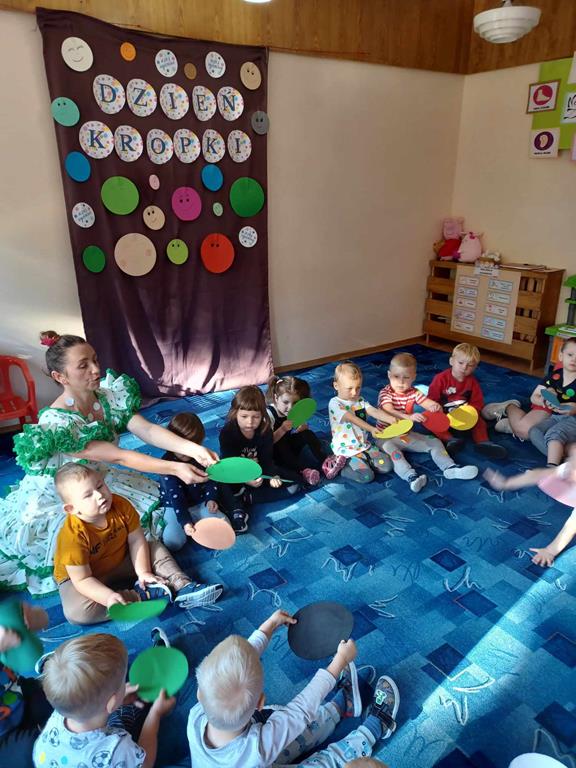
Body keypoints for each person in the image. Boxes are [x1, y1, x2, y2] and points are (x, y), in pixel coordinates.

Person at [0, 331, 218, 595]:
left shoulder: (107, 396)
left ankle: (155, 574)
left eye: (95, 360)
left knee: (140, 522)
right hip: (68, 492)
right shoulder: (58, 422)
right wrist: (175, 467)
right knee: (91, 543)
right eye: (83, 366)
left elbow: (147, 430)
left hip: (99, 477)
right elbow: (119, 456)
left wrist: (192, 449)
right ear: (60, 377)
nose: (95, 370)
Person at [187, 608, 400, 767]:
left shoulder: (196, 714)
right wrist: (339, 662)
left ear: (199, 693)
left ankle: (340, 707)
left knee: (294, 729)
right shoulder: (256, 748)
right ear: (260, 703)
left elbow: (237, 663)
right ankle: (373, 729)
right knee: (321, 761)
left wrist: (268, 627)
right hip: (257, 759)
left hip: (253, 759)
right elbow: (299, 711)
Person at [53, 463, 222, 624]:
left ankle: (182, 585)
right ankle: (140, 595)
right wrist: (107, 597)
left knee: (154, 547)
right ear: (71, 509)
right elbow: (82, 579)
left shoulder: (121, 505)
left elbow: (136, 540)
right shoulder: (71, 538)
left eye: (100, 486)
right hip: (87, 576)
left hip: (121, 559)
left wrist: (144, 572)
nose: (99, 495)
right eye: (88, 495)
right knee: (76, 613)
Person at [33, 633, 174, 768]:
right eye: (122, 682)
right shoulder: (116, 748)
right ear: (111, 703)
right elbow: (146, 763)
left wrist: (117, 700)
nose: (125, 683)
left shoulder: (58, 715)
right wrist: (155, 714)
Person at [375, 352, 477, 493]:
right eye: (396, 377)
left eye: (406, 377)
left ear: (414, 377)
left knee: (434, 442)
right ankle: (411, 477)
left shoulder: (413, 392)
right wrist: (409, 417)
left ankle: (450, 468)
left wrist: (434, 406)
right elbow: (389, 410)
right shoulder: (385, 393)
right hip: (384, 437)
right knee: (395, 455)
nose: (401, 382)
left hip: (405, 435)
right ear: (389, 375)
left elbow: (426, 402)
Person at [218, 386, 304, 533]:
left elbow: (266, 460)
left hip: (259, 473)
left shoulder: (265, 431)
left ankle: (248, 498)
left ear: (262, 415)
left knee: (296, 483)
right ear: (235, 413)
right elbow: (229, 463)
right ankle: (237, 509)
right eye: (244, 416)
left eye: (256, 417)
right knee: (219, 480)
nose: (250, 422)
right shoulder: (227, 432)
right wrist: (245, 479)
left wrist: (272, 476)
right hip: (235, 474)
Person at [484, 448, 576, 567]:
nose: (569, 463)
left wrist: (550, 551)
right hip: (570, 486)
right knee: (542, 474)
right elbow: (539, 474)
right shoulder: (569, 468)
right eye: (571, 458)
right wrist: (507, 483)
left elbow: (570, 527)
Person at [158, 412, 230, 551]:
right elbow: (176, 497)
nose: (186, 452)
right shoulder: (166, 463)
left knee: (225, 526)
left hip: (199, 501)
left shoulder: (201, 456)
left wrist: (210, 499)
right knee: (173, 542)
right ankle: (192, 527)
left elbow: (211, 480)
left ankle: (198, 527)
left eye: (193, 444)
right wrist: (185, 521)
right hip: (174, 506)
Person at [482, 338, 576, 441]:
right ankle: (509, 407)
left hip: (569, 416)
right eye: (570, 355)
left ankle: (512, 425)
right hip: (547, 408)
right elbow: (534, 397)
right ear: (561, 356)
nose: (574, 359)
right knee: (529, 432)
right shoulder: (554, 376)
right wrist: (544, 401)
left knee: (555, 439)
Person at [427, 343, 507, 459]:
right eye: (460, 363)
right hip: (444, 415)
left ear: (475, 367)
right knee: (427, 418)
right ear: (451, 361)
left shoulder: (473, 382)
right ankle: (450, 440)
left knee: (480, 422)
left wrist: (472, 413)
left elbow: (477, 402)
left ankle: (483, 442)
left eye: (470, 365)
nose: (464, 368)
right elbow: (431, 399)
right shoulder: (440, 379)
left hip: (464, 416)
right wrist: (435, 408)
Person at [265, 375, 344, 484]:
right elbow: (266, 443)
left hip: (289, 446)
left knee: (307, 433)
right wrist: (282, 429)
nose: (290, 407)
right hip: (274, 454)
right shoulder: (269, 415)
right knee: (281, 443)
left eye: (295, 403)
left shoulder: (292, 411)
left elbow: (298, 426)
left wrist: (302, 428)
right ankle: (302, 471)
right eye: (285, 402)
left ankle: (326, 463)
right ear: (275, 398)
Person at [0, 602, 52, 767]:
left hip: (20, 695)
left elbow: (43, 619)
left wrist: (32, 619)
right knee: (38, 748)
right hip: (2, 738)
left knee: (65, 695)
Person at [328, 362, 395, 484]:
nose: (354, 393)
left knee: (387, 467)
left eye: (358, 387)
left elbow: (373, 411)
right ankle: (343, 468)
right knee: (367, 477)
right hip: (347, 451)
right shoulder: (334, 403)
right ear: (336, 386)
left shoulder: (359, 400)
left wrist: (390, 418)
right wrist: (371, 429)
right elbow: (353, 419)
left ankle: (366, 460)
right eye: (349, 388)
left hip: (364, 445)